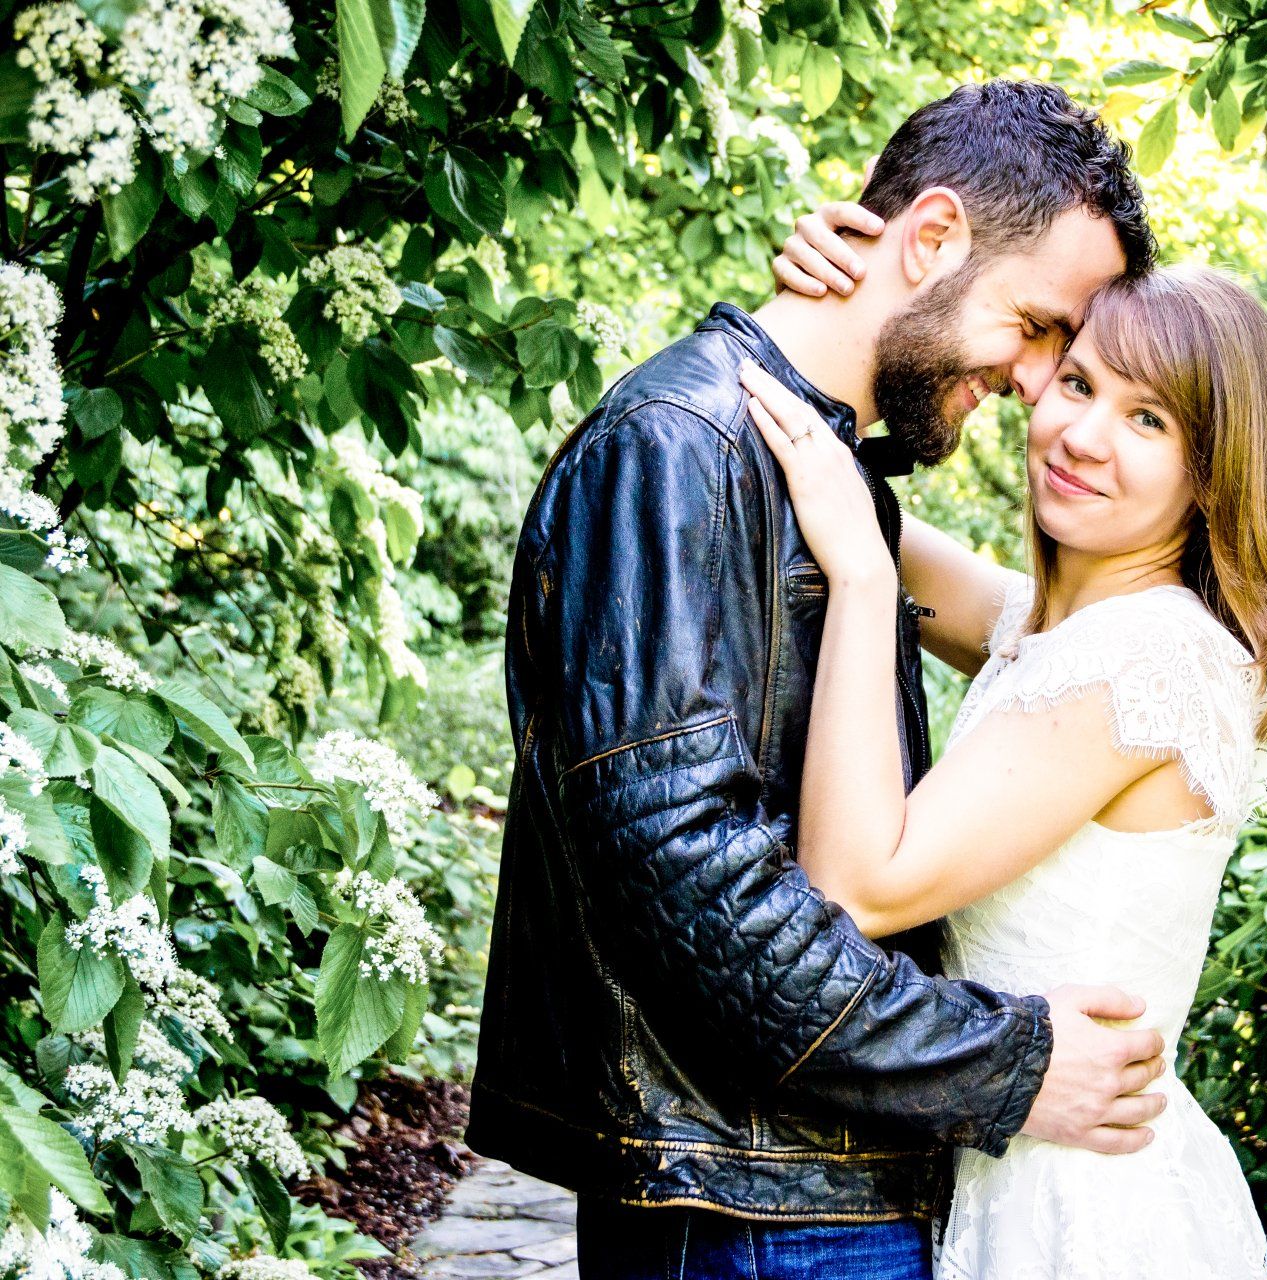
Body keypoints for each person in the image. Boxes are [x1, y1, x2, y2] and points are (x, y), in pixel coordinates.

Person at [465, 82, 1171, 1280]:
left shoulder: (817, 468)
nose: (1036, 381)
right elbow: (697, 889)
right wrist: (1003, 1064)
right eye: (1036, 325)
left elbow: (1063, 631)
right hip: (748, 1210)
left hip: (807, 1188)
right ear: (931, 235)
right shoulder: (678, 447)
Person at [746, 231, 1267, 1275]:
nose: (1083, 436)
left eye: (1148, 419)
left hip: (1081, 1212)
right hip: (1029, 1168)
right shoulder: (1057, 629)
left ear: (1213, 473)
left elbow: (859, 885)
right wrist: (842, 291)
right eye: (1079, 383)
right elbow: (827, 481)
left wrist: (866, 585)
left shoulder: (1141, 656)